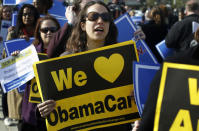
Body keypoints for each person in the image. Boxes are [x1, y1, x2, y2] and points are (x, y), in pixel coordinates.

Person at [38, 1, 133, 130]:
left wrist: (137, 97)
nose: (100, 21)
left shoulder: (125, 60)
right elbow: (55, 108)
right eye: (93, 17)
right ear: (82, 25)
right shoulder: (66, 60)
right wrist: (46, 109)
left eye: (105, 18)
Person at [18, 15, 60, 131]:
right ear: (39, 32)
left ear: (58, 32)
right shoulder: (29, 54)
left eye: (52, 30)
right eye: (44, 30)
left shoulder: (66, 54)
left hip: (57, 113)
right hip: (32, 114)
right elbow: (20, 81)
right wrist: (16, 62)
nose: (48, 33)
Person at [4, 4, 39, 126]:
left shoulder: (40, 31)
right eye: (24, 14)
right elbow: (5, 55)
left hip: (35, 76)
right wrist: (14, 51)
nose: (27, 16)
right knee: (21, 118)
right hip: (19, 77)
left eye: (30, 14)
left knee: (33, 115)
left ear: (35, 16)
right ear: (21, 16)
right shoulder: (14, 32)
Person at [0, 5, 13, 126]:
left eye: (9, 11)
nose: (7, 13)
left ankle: (7, 115)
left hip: (8, 61)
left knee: (5, 89)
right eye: (5, 11)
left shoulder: (15, 24)